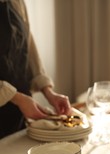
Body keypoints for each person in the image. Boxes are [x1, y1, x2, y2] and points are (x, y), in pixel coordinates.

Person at [0, 0, 72, 138]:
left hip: (17, 116)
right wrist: (18, 98)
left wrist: (48, 91)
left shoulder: (17, 2)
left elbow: (28, 45)